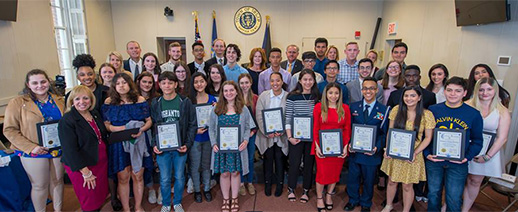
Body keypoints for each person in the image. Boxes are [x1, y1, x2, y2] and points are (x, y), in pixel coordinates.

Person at [3, 69, 65, 212]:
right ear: (28, 84)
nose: (40, 85)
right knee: (39, 185)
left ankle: (58, 210)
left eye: (43, 82)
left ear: (48, 82)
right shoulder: (18, 103)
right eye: (35, 83)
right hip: (34, 151)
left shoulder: (59, 100)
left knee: (58, 181)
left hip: (57, 148)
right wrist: (31, 147)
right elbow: (9, 130)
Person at [424, 77, 484, 212]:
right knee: (433, 194)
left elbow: (477, 141)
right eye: (449, 90)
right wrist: (427, 154)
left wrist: (466, 157)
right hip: (434, 161)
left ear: (464, 93)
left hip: (458, 163)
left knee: (454, 197)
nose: (452, 94)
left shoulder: (473, 114)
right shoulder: (433, 110)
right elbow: (424, 136)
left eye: (458, 91)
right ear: (444, 91)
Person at [102, 73, 153, 212]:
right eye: (118, 83)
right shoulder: (109, 102)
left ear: (130, 84)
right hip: (118, 143)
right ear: (114, 86)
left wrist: (141, 129)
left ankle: (138, 206)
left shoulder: (140, 100)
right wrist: (119, 129)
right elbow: (106, 124)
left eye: (124, 82)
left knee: (138, 175)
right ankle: (126, 208)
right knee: (123, 177)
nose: (121, 86)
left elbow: (149, 120)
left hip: (138, 140)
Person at [380, 86, 435, 212]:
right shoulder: (396, 110)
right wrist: (388, 148)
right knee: (392, 181)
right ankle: (389, 205)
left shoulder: (427, 115)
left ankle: (406, 209)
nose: (409, 98)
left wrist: (415, 153)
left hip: (414, 153)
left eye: (412, 96)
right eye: (406, 96)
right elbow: (390, 131)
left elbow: (427, 138)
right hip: (395, 151)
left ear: (419, 97)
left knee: (407, 185)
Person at [462, 77, 511, 212]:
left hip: (488, 152)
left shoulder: (502, 111)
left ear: (495, 90)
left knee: (474, 181)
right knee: (457, 179)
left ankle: (465, 209)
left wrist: (487, 156)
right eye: (481, 89)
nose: (485, 93)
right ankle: (448, 205)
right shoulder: (466, 105)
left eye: (489, 89)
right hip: (466, 148)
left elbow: (502, 138)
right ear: (477, 90)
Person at [150, 71, 196, 212]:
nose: (167, 85)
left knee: (179, 177)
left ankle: (177, 202)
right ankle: (165, 203)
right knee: (164, 178)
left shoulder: (185, 101)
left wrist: (187, 145)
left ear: (176, 84)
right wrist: (154, 144)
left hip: (179, 147)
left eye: (170, 82)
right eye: (163, 83)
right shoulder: (156, 103)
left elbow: (192, 124)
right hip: (163, 149)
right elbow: (153, 126)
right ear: (160, 85)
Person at [58, 85, 109, 211]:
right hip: (83, 166)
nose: (82, 102)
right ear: (71, 102)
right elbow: (70, 150)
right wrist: (85, 172)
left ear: (91, 100)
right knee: (89, 199)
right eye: (77, 99)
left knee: (98, 196)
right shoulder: (67, 120)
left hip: (99, 162)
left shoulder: (94, 114)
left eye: (85, 98)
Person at [344, 77, 388, 212]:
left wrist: (377, 147)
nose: (368, 91)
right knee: (353, 178)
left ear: (376, 90)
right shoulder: (353, 107)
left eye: (371, 88)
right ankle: (353, 200)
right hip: (355, 152)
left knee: (369, 181)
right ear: (361, 90)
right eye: (365, 88)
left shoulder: (384, 110)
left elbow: (384, 133)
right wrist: (349, 143)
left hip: (372, 153)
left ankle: (366, 203)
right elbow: (348, 129)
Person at [208, 81, 252, 212]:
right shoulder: (216, 109)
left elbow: (248, 128)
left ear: (237, 91)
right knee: (225, 173)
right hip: (221, 149)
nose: (229, 93)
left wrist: (245, 141)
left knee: (235, 172)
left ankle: (235, 198)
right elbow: (211, 129)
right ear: (222, 93)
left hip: (237, 149)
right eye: (226, 91)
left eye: (231, 90)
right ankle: (226, 199)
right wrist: (213, 143)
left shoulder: (243, 109)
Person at [312, 82, 351, 212]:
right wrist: (317, 146)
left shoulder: (345, 108)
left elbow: (347, 129)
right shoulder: (319, 107)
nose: (333, 96)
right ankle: (319, 198)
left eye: (336, 93)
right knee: (322, 174)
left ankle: (328, 195)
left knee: (335, 173)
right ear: (326, 94)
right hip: (322, 147)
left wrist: (345, 146)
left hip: (338, 148)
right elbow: (315, 128)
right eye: (330, 93)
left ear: (340, 94)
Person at [285, 70, 320, 203]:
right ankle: (291, 188)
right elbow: (288, 118)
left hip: (312, 138)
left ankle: (306, 190)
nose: (307, 82)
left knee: (309, 165)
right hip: (295, 137)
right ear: (300, 81)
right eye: (305, 79)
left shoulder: (317, 97)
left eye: (310, 80)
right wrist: (289, 137)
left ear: (314, 81)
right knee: (294, 163)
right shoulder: (292, 96)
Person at [256, 72, 289, 197]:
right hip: (266, 136)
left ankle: (280, 184)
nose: (275, 83)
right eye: (272, 81)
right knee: (268, 160)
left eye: (278, 80)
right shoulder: (263, 96)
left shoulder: (287, 96)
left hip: (282, 136)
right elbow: (259, 115)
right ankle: (268, 183)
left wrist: (283, 130)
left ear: (282, 82)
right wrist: (266, 131)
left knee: (280, 160)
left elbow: (289, 116)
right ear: (269, 82)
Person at [188, 72, 218, 203]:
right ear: (193, 84)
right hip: (195, 138)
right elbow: (186, 122)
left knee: (206, 165)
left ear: (206, 82)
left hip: (208, 137)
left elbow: (217, 119)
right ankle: (196, 190)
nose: (199, 84)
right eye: (196, 82)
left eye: (201, 81)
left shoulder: (213, 100)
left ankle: (206, 188)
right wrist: (195, 130)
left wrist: (216, 109)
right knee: (194, 166)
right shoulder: (189, 101)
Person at [135, 71, 161, 204]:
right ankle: (150, 188)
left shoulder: (157, 98)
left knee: (159, 161)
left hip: (156, 132)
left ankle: (162, 188)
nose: (147, 84)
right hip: (140, 135)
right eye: (144, 81)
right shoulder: (133, 98)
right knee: (146, 161)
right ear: (138, 82)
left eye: (150, 82)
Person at [238, 73, 259, 196]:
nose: (244, 85)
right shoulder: (235, 98)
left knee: (250, 158)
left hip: (251, 134)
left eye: (246, 82)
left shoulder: (255, 98)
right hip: (239, 135)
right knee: (240, 159)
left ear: (250, 83)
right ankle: (241, 183)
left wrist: (253, 132)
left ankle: (249, 182)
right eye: (242, 83)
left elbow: (258, 117)